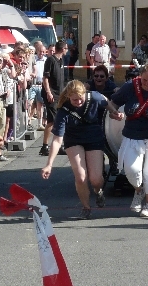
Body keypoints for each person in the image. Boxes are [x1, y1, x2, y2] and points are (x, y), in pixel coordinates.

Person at [106, 63, 148, 218]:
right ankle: (139, 191)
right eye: (144, 80)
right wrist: (114, 113)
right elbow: (112, 104)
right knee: (132, 170)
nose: (147, 84)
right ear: (140, 77)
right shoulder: (130, 86)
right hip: (132, 136)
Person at [41, 81, 110, 218]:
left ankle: (98, 191)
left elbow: (108, 104)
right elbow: (57, 140)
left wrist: (114, 112)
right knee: (81, 176)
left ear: (85, 94)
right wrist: (49, 164)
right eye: (74, 100)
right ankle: (86, 207)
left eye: (80, 99)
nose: (78, 102)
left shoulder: (94, 97)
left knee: (96, 179)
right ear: (68, 97)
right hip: (73, 141)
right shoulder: (63, 111)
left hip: (94, 138)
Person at [39, 40, 67, 156]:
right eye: (66, 48)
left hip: (59, 94)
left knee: (53, 120)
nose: (67, 50)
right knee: (54, 120)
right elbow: (45, 78)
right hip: (51, 94)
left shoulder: (61, 60)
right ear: (63, 49)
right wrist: (48, 92)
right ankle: (48, 146)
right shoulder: (50, 60)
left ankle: (50, 146)